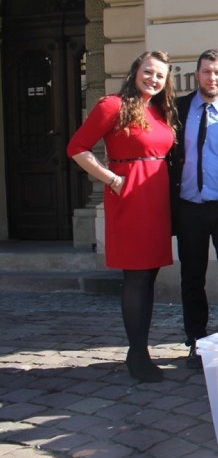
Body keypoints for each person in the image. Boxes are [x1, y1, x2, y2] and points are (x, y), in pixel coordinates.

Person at [67, 51, 178, 383]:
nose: (153, 79)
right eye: (148, 72)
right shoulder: (111, 106)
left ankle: (139, 349)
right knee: (136, 278)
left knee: (149, 277)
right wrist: (111, 178)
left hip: (157, 200)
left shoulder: (160, 111)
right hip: (129, 198)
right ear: (135, 71)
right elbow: (76, 147)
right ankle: (137, 353)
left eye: (160, 75)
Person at [170, 49, 218, 369]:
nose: (212, 78)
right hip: (189, 206)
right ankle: (197, 340)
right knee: (192, 276)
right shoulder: (178, 110)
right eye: (206, 72)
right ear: (197, 75)